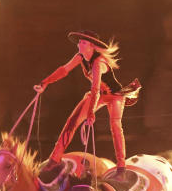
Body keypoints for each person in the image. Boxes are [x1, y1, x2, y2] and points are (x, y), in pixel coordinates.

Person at [34, 30, 141, 176]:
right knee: (72, 121)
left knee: (115, 126)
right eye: (79, 42)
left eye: (83, 42)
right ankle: (54, 159)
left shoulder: (99, 62)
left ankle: (121, 167)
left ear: (91, 46)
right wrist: (45, 82)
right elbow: (64, 70)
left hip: (114, 96)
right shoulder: (80, 57)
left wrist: (91, 113)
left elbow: (95, 88)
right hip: (98, 95)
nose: (79, 44)